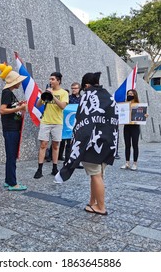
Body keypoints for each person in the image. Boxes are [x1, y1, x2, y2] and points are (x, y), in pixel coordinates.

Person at [55, 72, 118, 215]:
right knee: (98, 174)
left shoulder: (88, 96)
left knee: (95, 175)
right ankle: (92, 203)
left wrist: (78, 142)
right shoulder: (109, 96)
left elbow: (82, 121)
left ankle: (101, 207)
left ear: (87, 85)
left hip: (92, 142)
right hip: (108, 142)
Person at [33, 72, 69, 179]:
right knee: (43, 144)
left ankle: (54, 168)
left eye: (53, 79)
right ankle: (39, 169)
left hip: (57, 122)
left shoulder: (63, 93)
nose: (50, 81)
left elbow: (62, 106)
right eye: (50, 79)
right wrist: (43, 95)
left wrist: (53, 96)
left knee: (55, 145)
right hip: (45, 121)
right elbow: (38, 105)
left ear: (58, 81)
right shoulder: (48, 91)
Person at [0, 63, 28, 191]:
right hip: (10, 129)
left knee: (11, 156)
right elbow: (3, 110)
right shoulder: (6, 93)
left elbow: (10, 107)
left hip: (13, 128)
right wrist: (19, 107)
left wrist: (17, 105)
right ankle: (12, 183)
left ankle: (8, 180)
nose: (20, 83)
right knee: (11, 156)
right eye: (18, 81)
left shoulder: (9, 93)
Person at [120, 89, 145, 171]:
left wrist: (145, 115)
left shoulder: (138, 104)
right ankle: (127, 163)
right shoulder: (124, 104)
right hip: (127, 126)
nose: (129, 95)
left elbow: (142, 114)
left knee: (135, 145)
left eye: (131, 93)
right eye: (128, 93)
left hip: (135, 127)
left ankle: (135, 163)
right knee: (127, 145)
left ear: (135, 94)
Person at [61, 82, 82, 163]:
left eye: (75, 88)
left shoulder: (82, 98)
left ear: (79, 89)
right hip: (69, 124)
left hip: (79, 123)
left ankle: (76, 161)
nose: (73, 90)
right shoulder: (68, 98)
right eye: (72, 88)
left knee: (78, 143)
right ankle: (67, 161)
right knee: (69, 143)